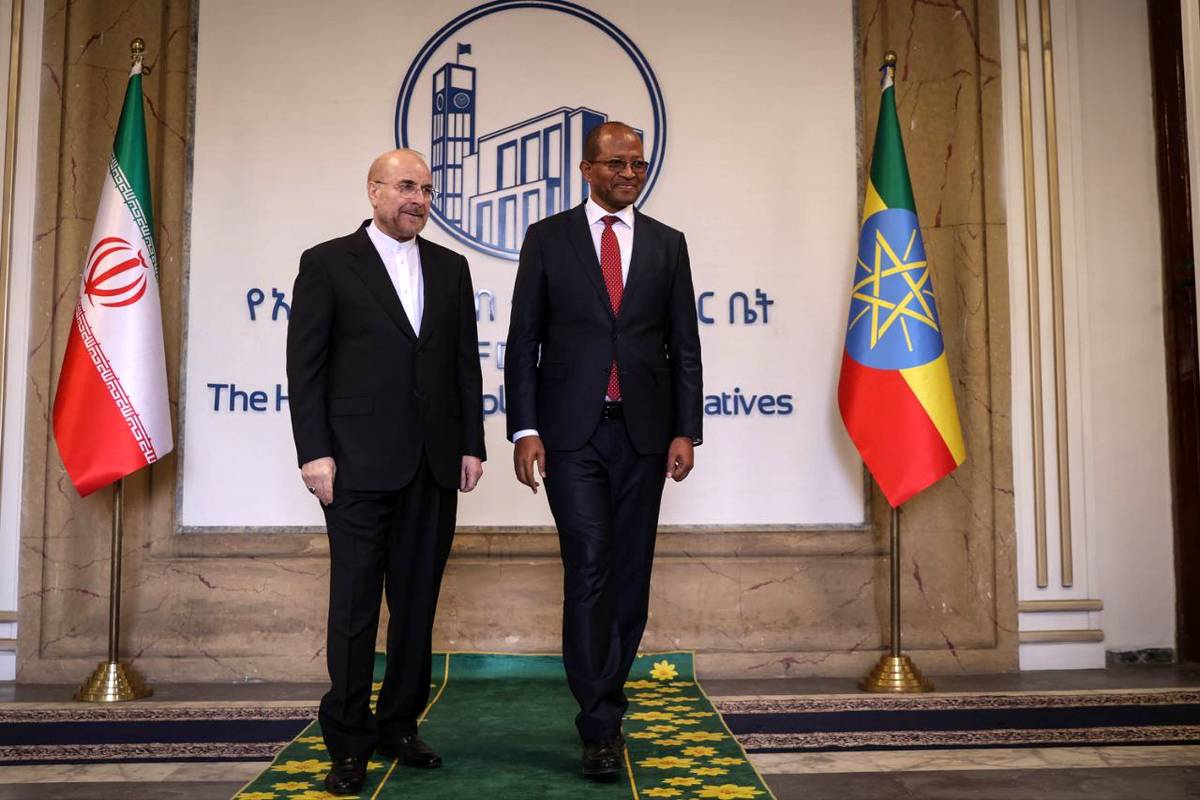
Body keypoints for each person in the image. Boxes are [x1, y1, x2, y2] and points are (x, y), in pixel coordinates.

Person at [506, 121, 703, 779]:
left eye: (637, 164)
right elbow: (523, 342)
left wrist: (686, 429)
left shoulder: (668, 243)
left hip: (645, 435)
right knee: (590, 563)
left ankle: (605, 701)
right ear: (586, 169)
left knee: (629, 575)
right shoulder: (548, 238)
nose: (628, 173)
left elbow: (684, 345)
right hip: (571, 435)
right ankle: (599, 723)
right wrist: (525, 429)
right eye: (616, 162)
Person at [286, 149, 485, 796]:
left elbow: (464, 365)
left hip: (434, 463)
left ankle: (400, 724)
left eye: (426, 189)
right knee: (354, 608)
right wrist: (313, 452)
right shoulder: (326, 263)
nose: (417, 199)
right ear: (373, 191)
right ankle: (348, 742)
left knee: (417, 605)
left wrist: (472, 444)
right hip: (354, 465)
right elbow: (306, 367)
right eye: (405, 186)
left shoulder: (451, 268)